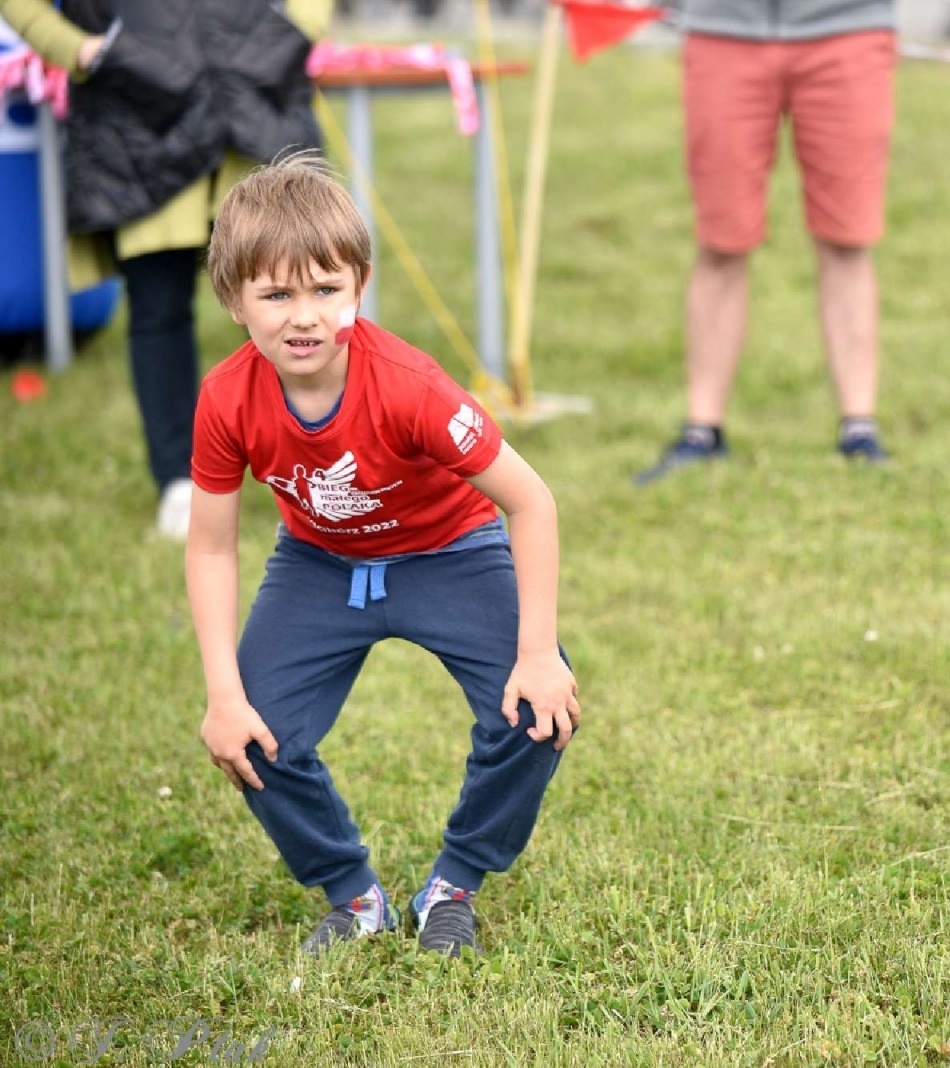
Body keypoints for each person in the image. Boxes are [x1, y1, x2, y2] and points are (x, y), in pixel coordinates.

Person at [187, 155, 580, 958]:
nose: (304, 316)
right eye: (276, 293)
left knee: (539, 711)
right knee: (254, 733)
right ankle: (353, 895)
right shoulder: (226, 398)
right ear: (234, 300)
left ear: (359, 286)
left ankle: (454, 882)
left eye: (325, 289)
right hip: (319, 562)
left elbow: (531, 501)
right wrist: (223, 693)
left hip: (449, 551)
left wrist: (537, 653)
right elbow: (211, 544)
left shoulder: (411, 387)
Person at [0, 0, 331, 539]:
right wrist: (79, 49)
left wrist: (295, 26)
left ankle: (319, 477)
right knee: (158, 307)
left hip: (253, 98)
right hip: (138, 111)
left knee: (293, 303)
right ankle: (183, 481)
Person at [634, 0, 897, 486]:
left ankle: (859, 428)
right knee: (721, 242)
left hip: (849, 29)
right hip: (724, 30)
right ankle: (702, 430)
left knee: (848, 239)